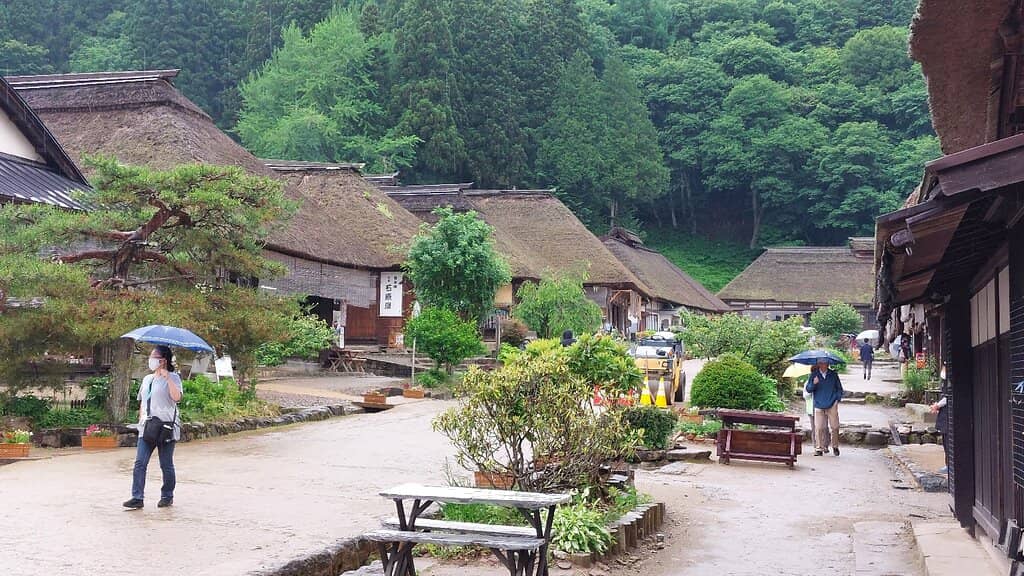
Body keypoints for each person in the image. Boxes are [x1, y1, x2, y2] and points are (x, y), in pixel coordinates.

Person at [124, 345, 183, 509]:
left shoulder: (174, 377)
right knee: (140, 463)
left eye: (154, 356)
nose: (151, 359)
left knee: (166, 464)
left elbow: (177, 398)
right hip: (147, 426)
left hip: (166, 427)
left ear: (163, 360)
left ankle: (167, 495)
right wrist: (141, 418)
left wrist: (168, 379)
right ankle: (137, 497)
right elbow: (143, 400)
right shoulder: (147, 379)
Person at [805, 358, 843, 456]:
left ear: (828, 364)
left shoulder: (833, 374)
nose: (823, 365)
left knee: (835, 427)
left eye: (825, 363)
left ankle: (835, 446)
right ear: (818, 364)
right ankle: (819, 448)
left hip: (832, 403)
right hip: (818, 403)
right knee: (818, 427)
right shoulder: (814, 375)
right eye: (821, 363)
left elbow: (839, 389)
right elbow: (808, 389)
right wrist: (814, 383)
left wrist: (837, 400)